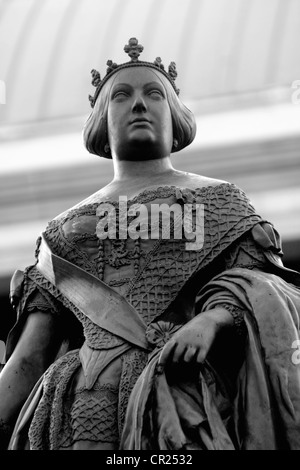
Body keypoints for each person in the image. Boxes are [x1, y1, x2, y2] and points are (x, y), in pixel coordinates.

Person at [1, 37, 300, 450]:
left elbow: (272, 292)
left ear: (174, 116)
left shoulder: (221, 203)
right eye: (121, 96)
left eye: (153, 94)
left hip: (177, 402)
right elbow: (30, 358)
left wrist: (211, 320)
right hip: (74, 408)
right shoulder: (60, 232)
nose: (138, 104)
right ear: (101, 123)